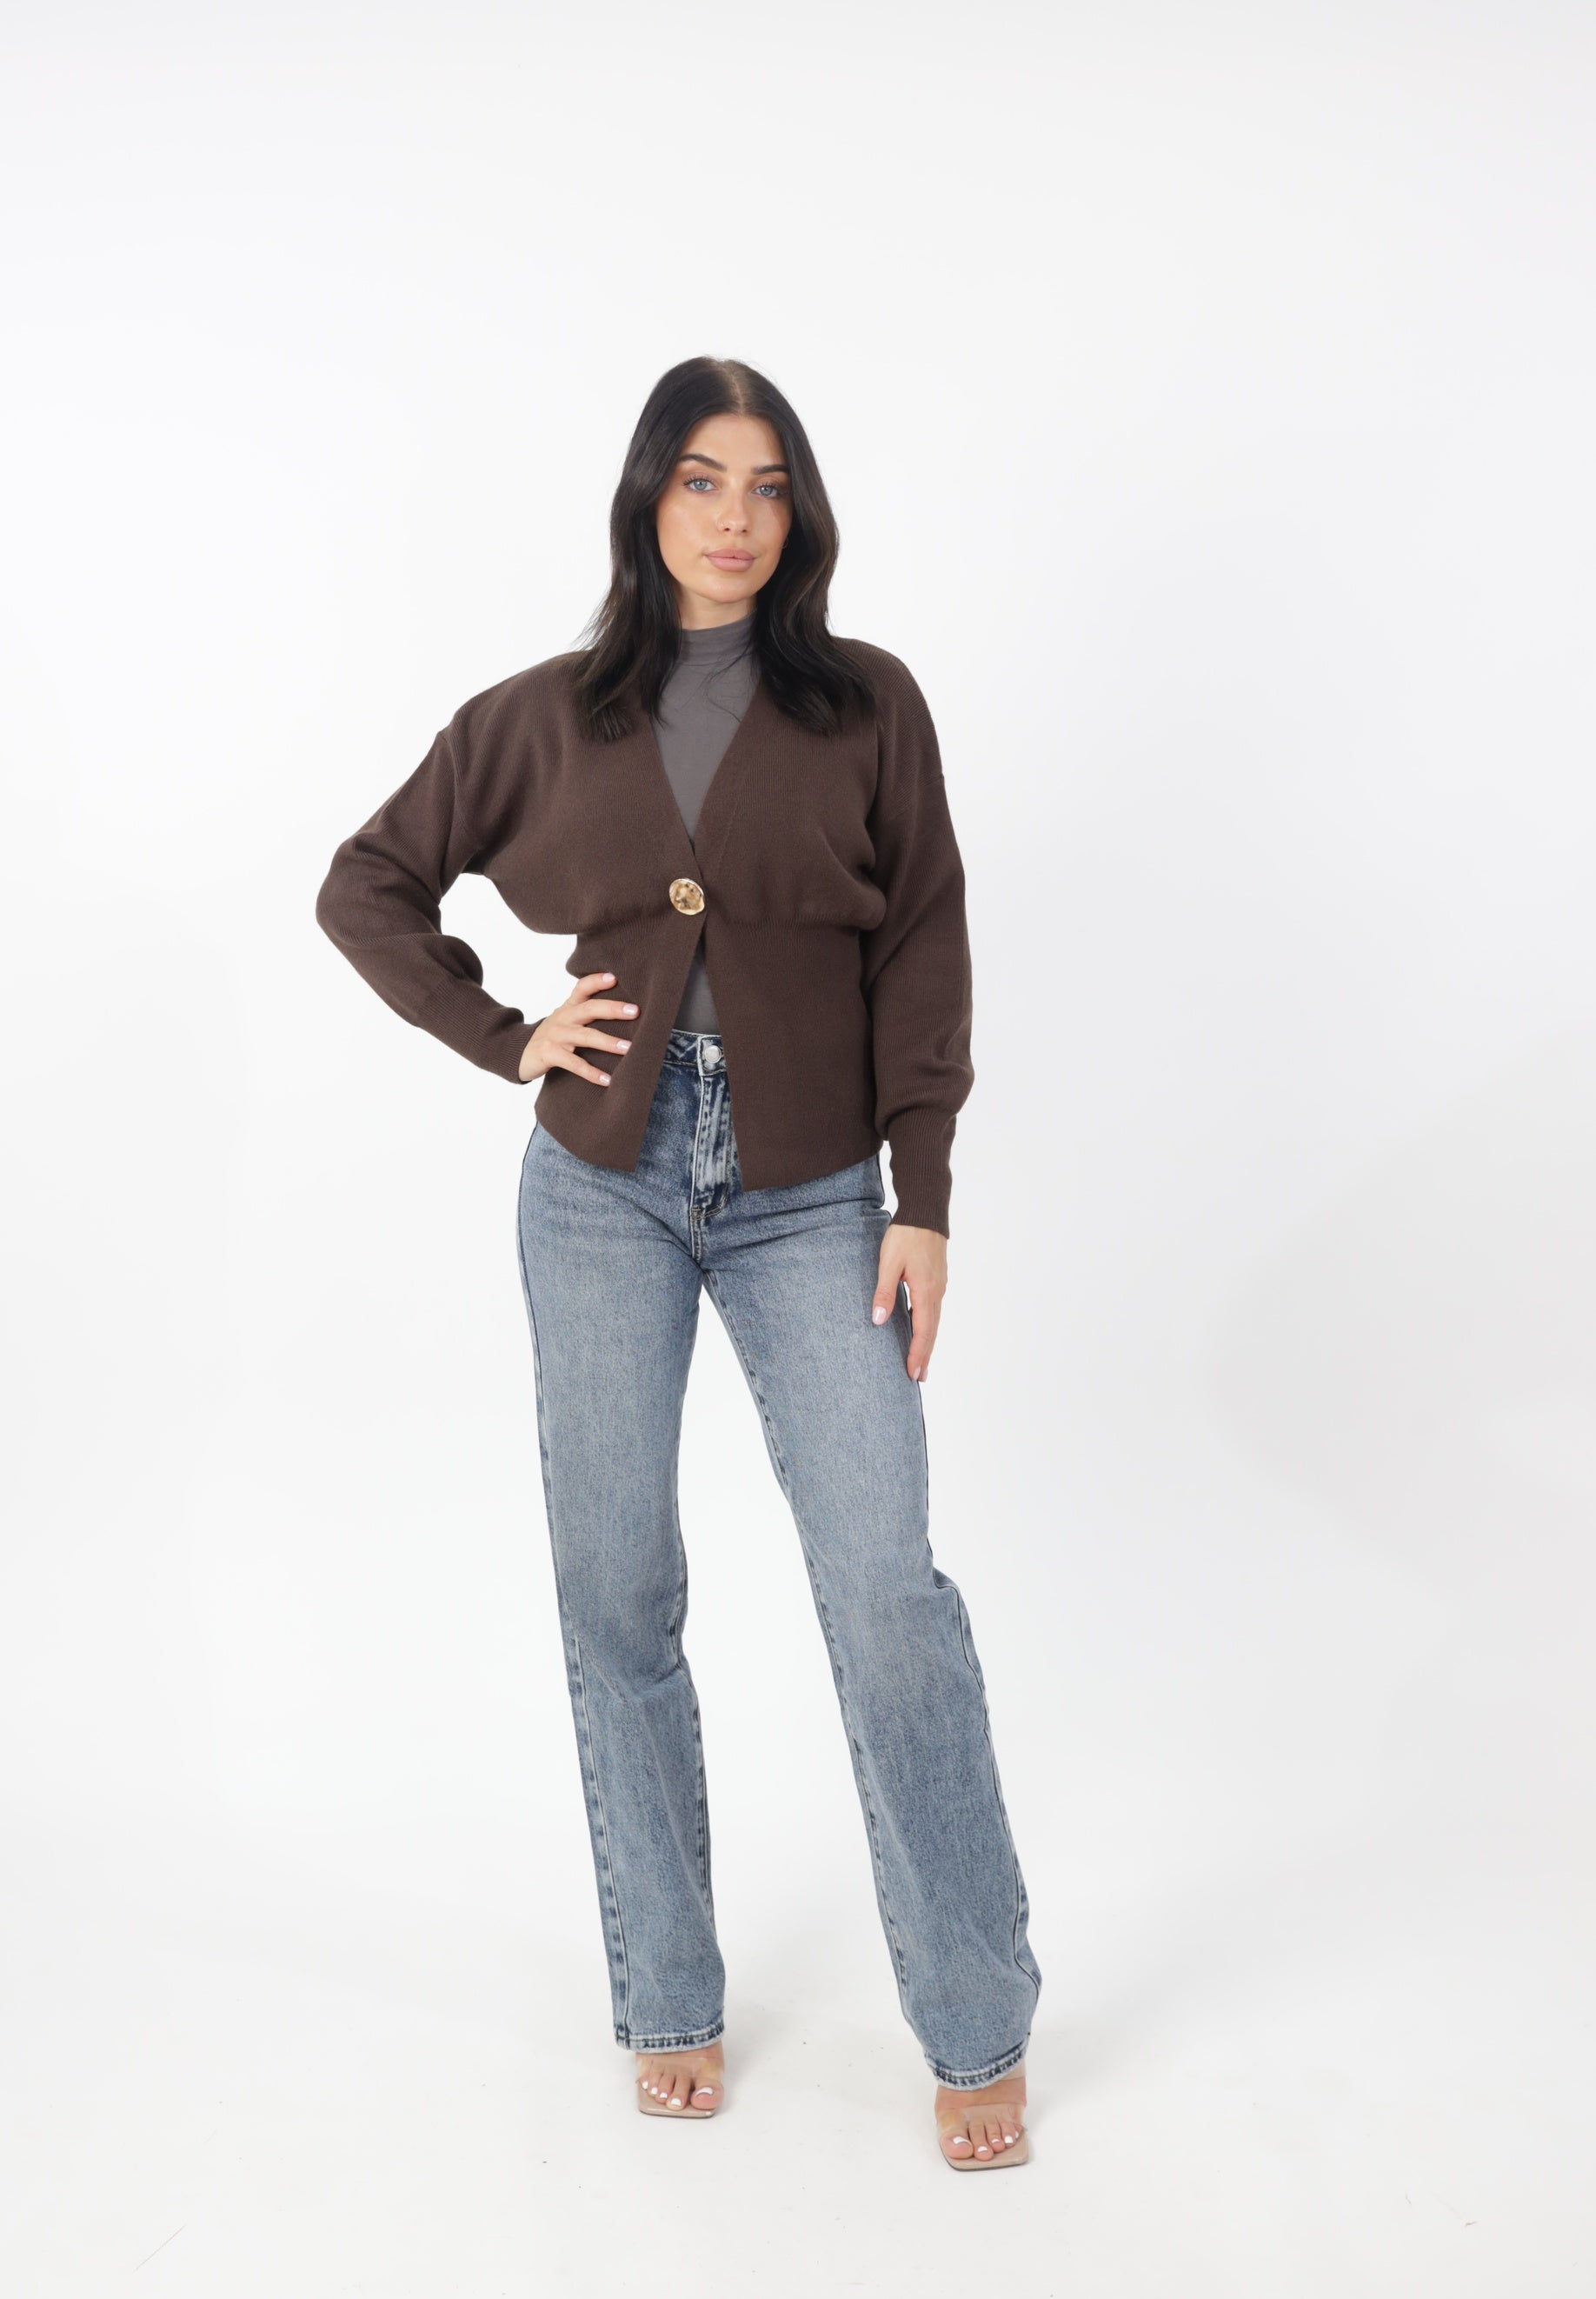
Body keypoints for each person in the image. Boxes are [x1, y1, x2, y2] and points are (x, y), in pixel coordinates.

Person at [315, 356, 1041, 2169]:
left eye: (768, 484)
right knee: (616, 1591)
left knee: (886, 1589)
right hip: (602, 1186)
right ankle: (671, 1995)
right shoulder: (544, 716)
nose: (735, 516)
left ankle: (975, 2013)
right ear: (648, 499)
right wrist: (505, 1037)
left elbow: (926, 939)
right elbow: (367, 882)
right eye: (703, 479)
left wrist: (925, 1191)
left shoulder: (869, 703)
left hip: (817, 1190)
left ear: (802, 513)